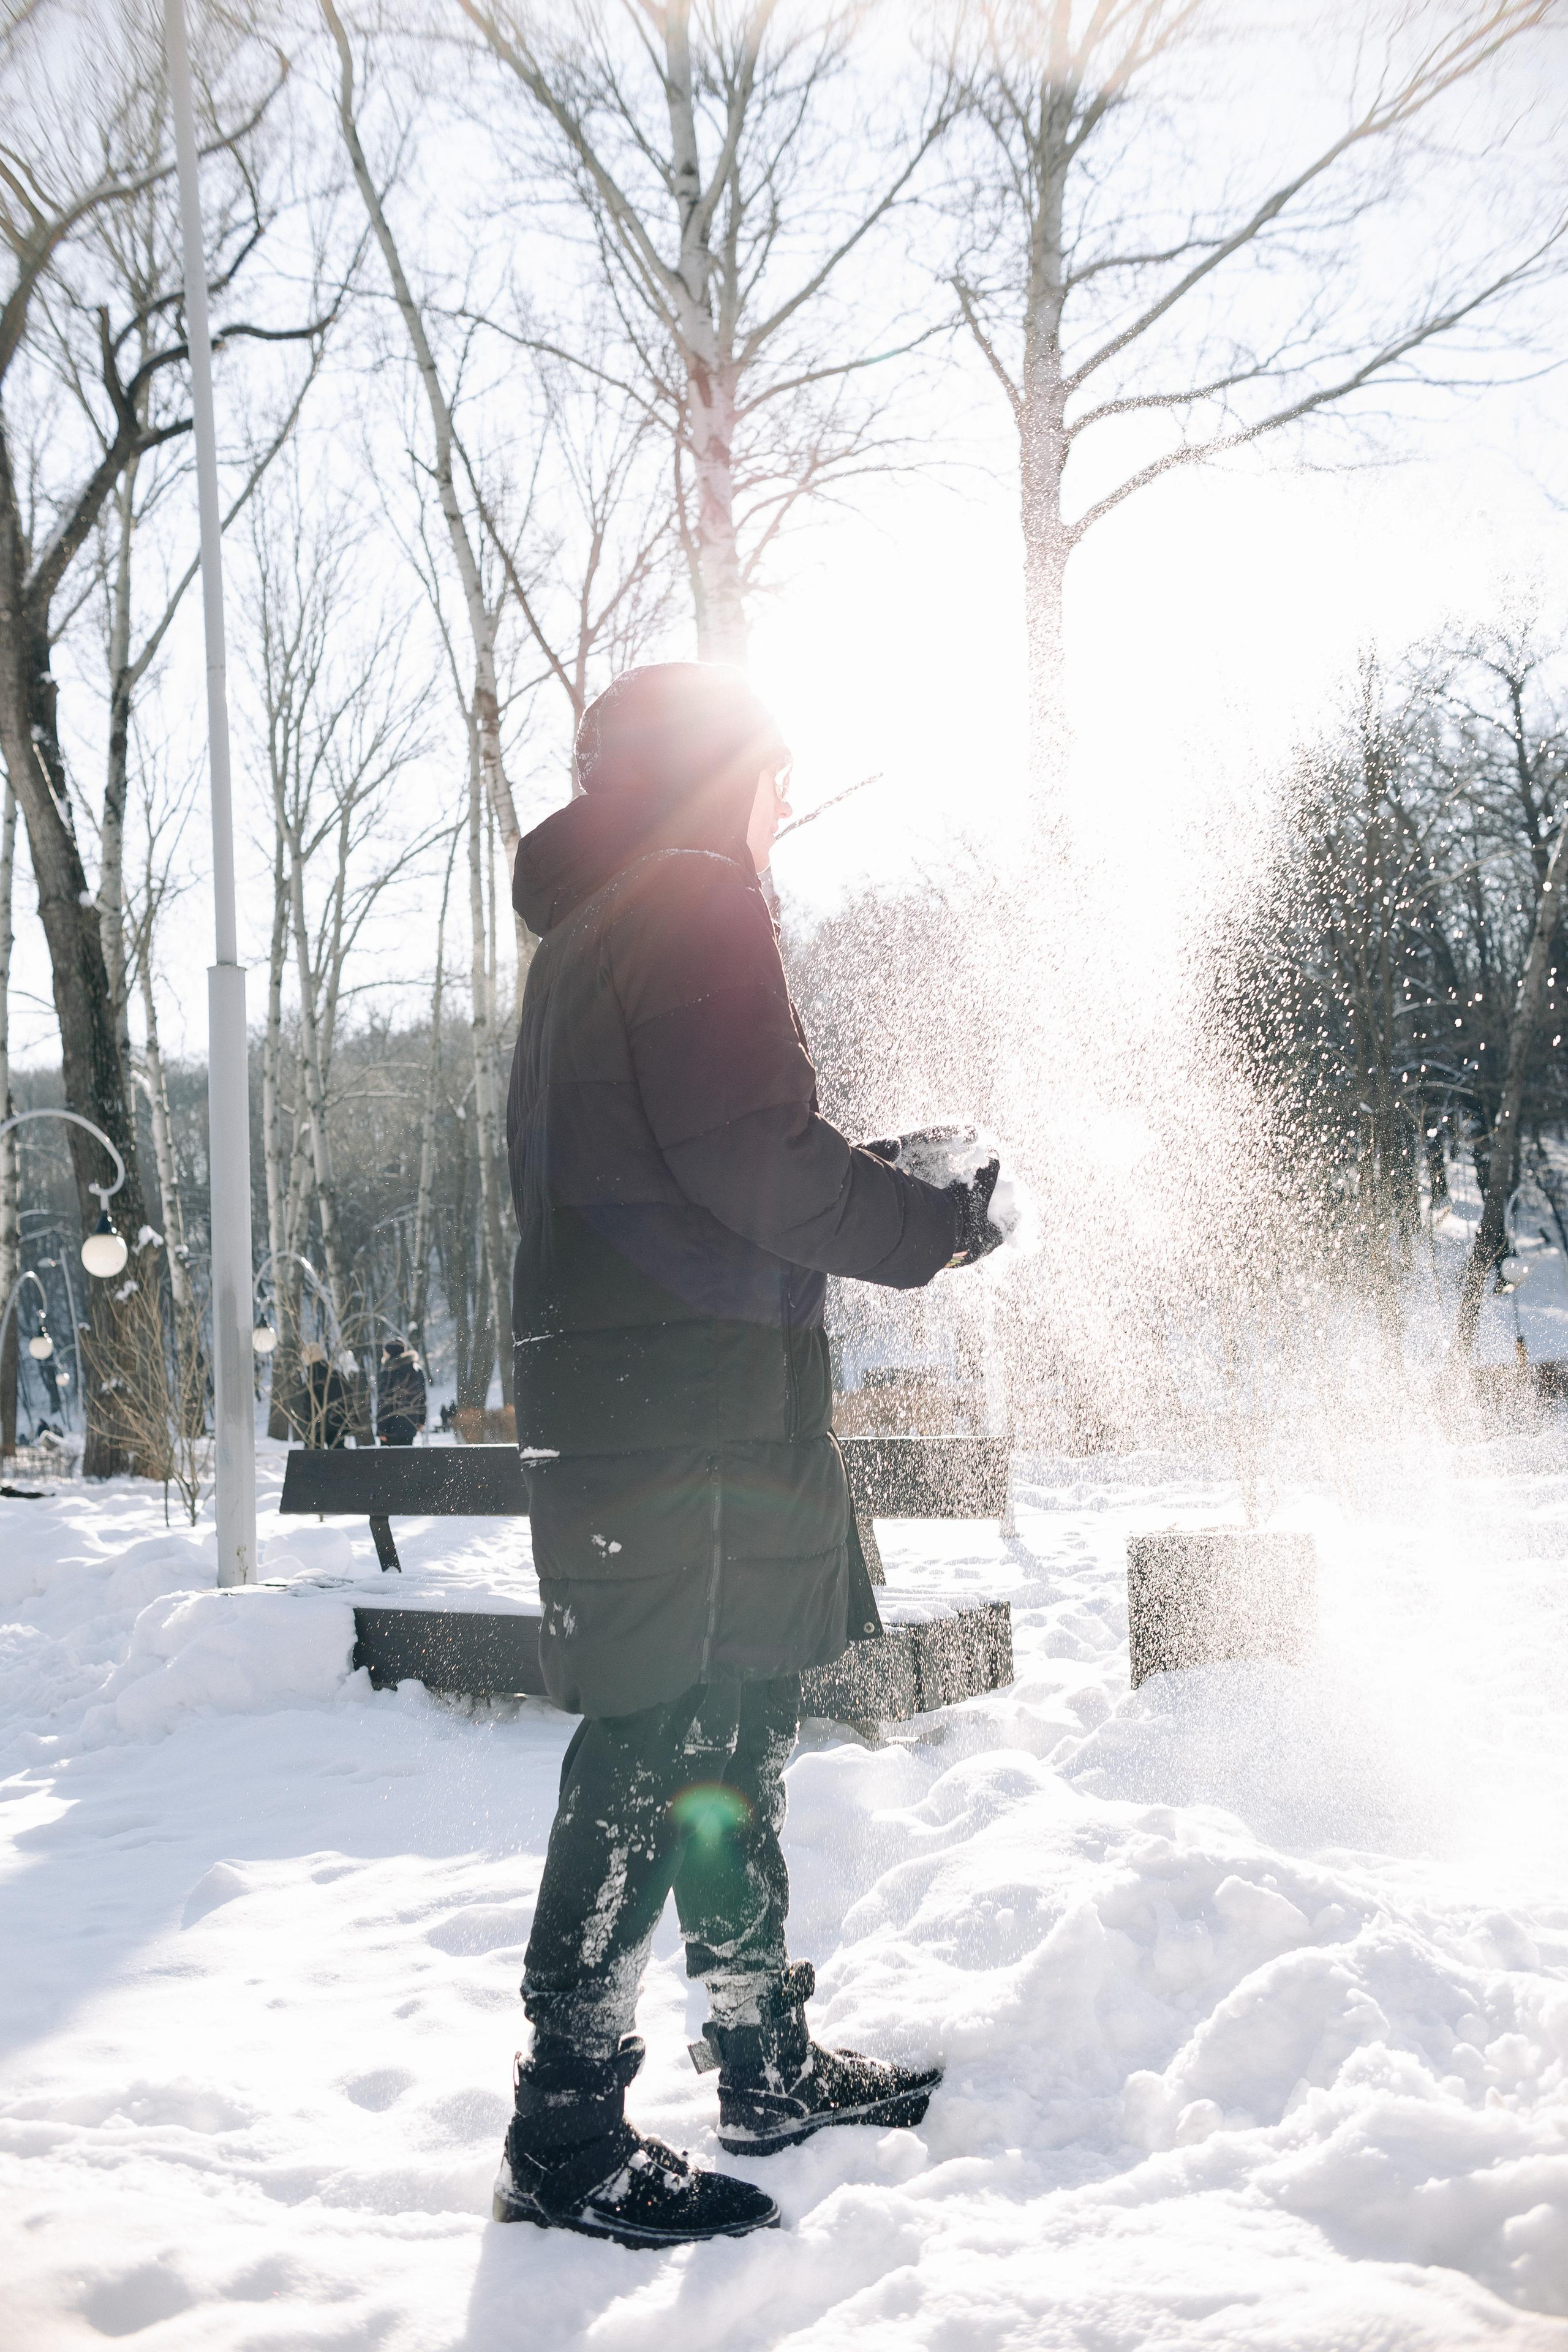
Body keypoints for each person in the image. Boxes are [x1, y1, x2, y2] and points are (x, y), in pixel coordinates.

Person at [496, 662, 1004, 2249]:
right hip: (685, 1397)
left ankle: (761, 2055)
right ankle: (567, 2128)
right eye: (775, 776)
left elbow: (715, 1156)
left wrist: (881, 1188)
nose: (785, 809)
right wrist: (937, 1219)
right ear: (720, 776)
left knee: (723, 1726)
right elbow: (754, 1165)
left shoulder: (596, 928)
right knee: (661, 1743)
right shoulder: (695, 896)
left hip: (663, 1379)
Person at [375, 1335, 426, 1446]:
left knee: (389, 1461)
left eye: (386, 1351)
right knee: (406, 1460)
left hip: (391, 1427)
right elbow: (422, 1397)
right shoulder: (417, 1371)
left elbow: (385, 1402)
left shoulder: (389, 1372)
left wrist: (382, 1429)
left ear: (391, 1353)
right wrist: (422, 1420)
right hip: (411, 1423)